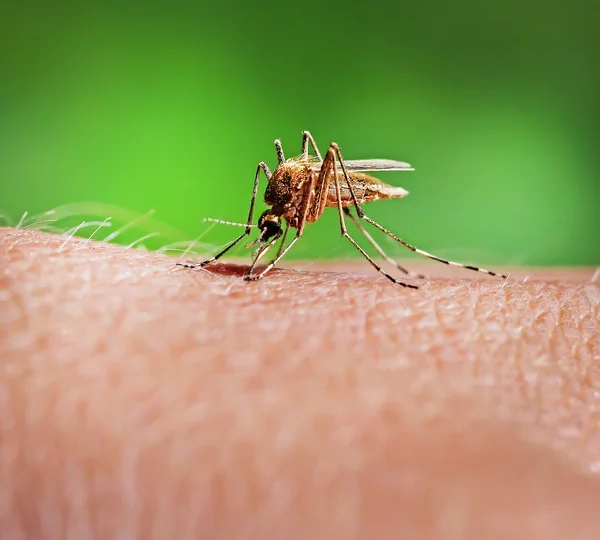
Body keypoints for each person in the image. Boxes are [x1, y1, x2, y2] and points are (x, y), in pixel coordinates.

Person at [1, 226, 599, 538]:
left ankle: (392, 257)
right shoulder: (275, 206)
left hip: (336, 194)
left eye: (263, 233)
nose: (266, 236)